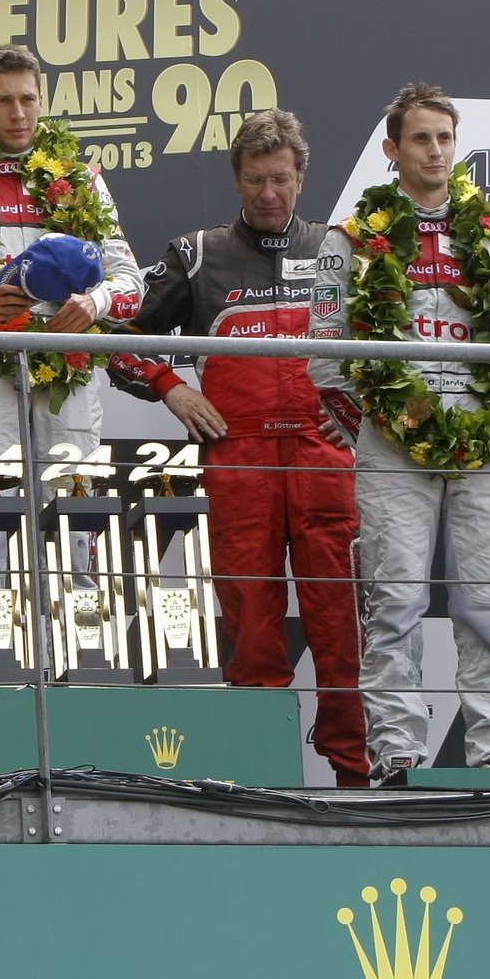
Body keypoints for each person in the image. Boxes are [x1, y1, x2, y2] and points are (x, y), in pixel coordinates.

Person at [110, 110, 366, 785]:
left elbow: (387, 348)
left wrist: (360, 410)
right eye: (255, 181)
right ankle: (264, 775)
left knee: (341, 622)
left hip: (325, 461)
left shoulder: (341, 251)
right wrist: (171, 387)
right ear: (237, 179)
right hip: (241, 460)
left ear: (301, 178)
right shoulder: (197, 253)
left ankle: (356, 774)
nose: (269, 194)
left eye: (280, 179)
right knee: (250, 621)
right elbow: (118, 338)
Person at [309, 82, 490, 783]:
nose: (436, 150)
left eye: (446, 137)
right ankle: (397, 754)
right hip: (392, 448)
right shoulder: (347, 239)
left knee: (484, 602)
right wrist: (386, 436)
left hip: (484, 448)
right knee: (397, 603)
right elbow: (327, 359)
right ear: (392, 149)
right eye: (421, 137)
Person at [0, 44, 141, 646]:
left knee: (75, 527)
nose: (18, 113)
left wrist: (94, 304)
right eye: (4, 100)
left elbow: (131, 281)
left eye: (28, 99)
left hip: (68, 374)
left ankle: (82, 665)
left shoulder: (82, 178)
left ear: (43, 101)